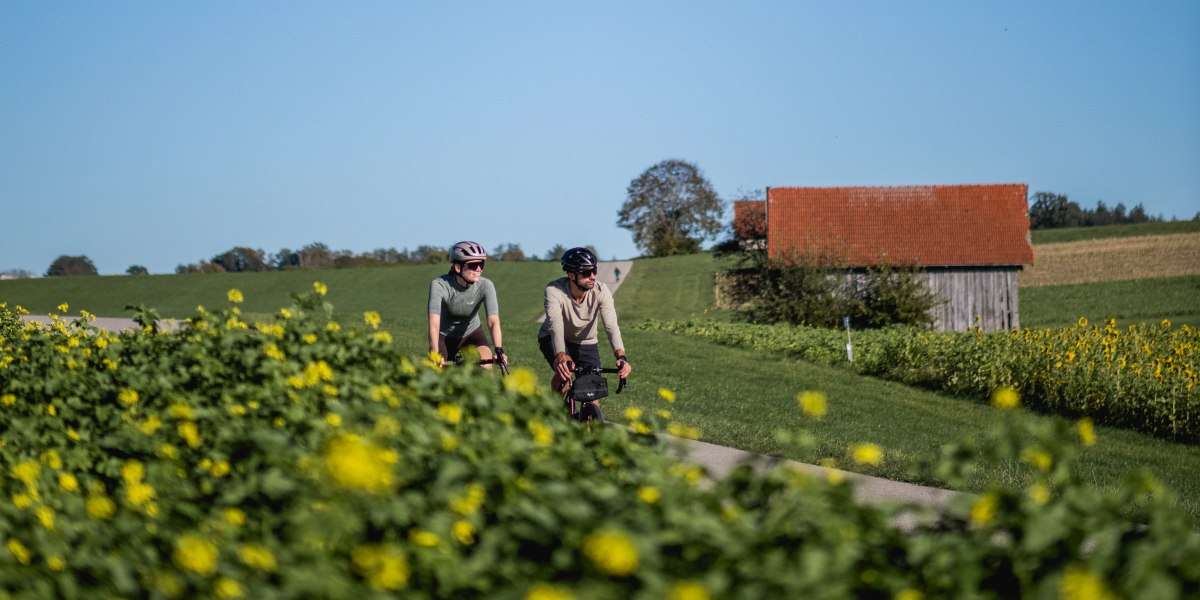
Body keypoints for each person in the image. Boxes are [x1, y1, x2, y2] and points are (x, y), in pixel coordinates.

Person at [538, 247, 631, 393]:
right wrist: (561, 357)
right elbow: (556, 327)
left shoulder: (601, 291)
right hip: (553, 337)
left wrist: (621, 357)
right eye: (587, 273)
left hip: (586, 341)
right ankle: (554, 410)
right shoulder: (554, 291)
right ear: (571, 275)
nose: (593, 276)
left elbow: (611, 326)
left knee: (592, 393)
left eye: (594, 270)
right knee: (565, 375)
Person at [428, 241, 506, 369]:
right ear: (458, 268)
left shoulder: (485, 285)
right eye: (473, 265)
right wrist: (435, 352)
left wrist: (499, 350)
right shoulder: (439, 285)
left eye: (481, 264)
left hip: (472, 332)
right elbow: (433, 323)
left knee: (486, 365)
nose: (479, 269)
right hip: (444, 335)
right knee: (438, 374)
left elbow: (493, 321)